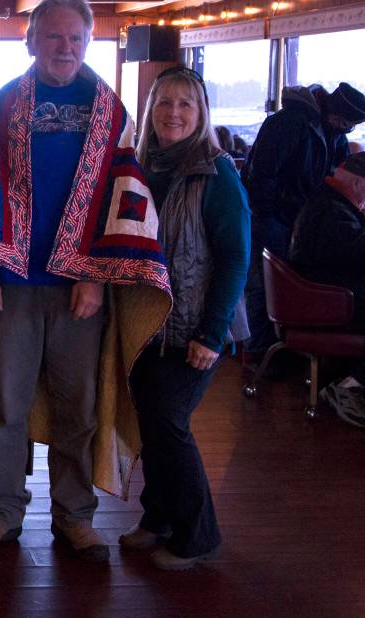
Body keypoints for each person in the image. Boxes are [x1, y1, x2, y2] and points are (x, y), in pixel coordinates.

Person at [0, 0, 172, 564]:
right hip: (11, 287)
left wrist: (94, 277)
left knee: (79, 407)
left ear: (89, 43)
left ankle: (74, 517)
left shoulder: (110, 112)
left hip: (78, 292)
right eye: (54, 37)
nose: (65, 48)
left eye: (76, 39)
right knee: (6, 404)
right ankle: (3, 513)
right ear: (31, 41)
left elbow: (123, 199)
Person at [122, 67, 250, 571]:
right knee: (153, 424)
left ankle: (198, 534)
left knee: (169, 423)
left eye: (185, 105)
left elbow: (236, 258)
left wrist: (211, 333)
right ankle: (157, 518)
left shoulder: (216, 173)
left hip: (195, 328)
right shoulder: (140, 166)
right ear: (150, 110)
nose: (173, 113)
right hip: (145, 326)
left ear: (201, 115)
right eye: (164, 103)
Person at [242, 82, 365, 356]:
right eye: (348, 122)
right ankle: (260, 351)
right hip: (273, 218)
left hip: (296, 220)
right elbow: (262, 172)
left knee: (279, 287)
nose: (348, 128)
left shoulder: (333, 134)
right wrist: (265, 214)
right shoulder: (290, 123)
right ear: (336, 112)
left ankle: (279, 350)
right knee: (263, 287)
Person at [289, 152, 365, 428]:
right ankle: (351, 386)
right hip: (330, 302)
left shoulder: (328, 202)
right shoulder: (333, 211)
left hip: (326, 295)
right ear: (359, 184)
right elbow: (355, 255)